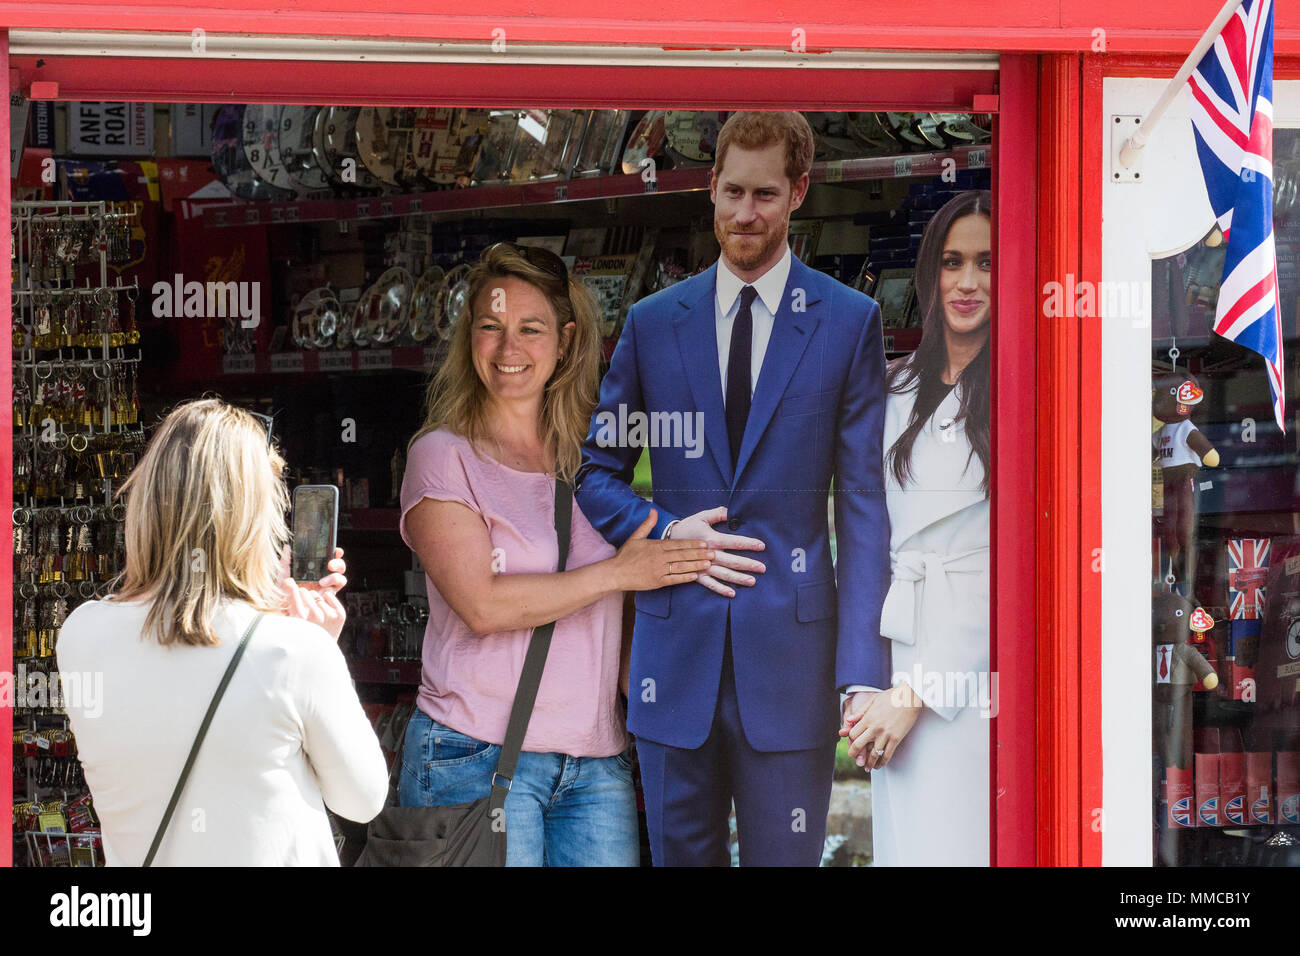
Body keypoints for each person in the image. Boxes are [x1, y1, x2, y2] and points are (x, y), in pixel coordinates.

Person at [575, 111, 891, 866]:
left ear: (799, 193)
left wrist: (863, 673)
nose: (745, 214)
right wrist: (664, 531)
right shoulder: (653, 324)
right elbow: (594, 473)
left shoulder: (849, 323)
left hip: (792, 664)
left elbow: (864, 503)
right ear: (711, 187)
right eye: (733, 193)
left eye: (766, 195)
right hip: (673, 658)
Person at [398, 242, 712, 867]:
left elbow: (620, 618)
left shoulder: (597, 457)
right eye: (490, 327)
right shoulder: (442, 456)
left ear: (566, 341)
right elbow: (483, 606)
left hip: (596, 761)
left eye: (529, 329)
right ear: (469, 338)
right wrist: (620, 571)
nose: (508, 349)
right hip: (477, 755)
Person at [57, 398, 389, 866]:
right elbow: (363, 800)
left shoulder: (81, 634)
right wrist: (315, 646)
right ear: (255, 518)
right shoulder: (294, 652)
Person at [842, 189, 993, 866]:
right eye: (953, 261)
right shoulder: (895, 389)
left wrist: (919, 692)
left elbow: (1009, 572)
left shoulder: (1029, 388)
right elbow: (865, 541)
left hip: (974, 679)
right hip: (896, 659)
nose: (968, 282)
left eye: (987, 263)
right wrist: (865, 685)